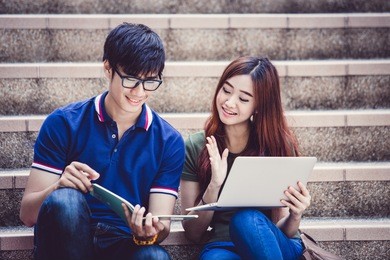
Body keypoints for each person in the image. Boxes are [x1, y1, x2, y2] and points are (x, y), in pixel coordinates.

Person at [19, 22, 185, 260]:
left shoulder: (169, 141)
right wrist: (58, 187)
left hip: (124, 241)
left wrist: (148, 232)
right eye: (130, 79)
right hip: (66, 237)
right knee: (66, 201)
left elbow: (162, 226)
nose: (139, 92)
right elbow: (27, 214)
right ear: (108, 69)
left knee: (155, 256)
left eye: (150, 81)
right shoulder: (64, 122)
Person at [180, 56, 311, 259]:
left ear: (258, 106)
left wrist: (296, 213)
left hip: (273, 244)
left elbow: (284, 230)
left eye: (243, 99)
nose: (229, 103)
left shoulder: (276, 145)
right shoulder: (197, 146)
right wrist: (214, 184)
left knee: (246, 220)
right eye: (226, 90)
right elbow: (193, 233)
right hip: (223, 247)